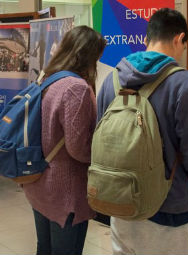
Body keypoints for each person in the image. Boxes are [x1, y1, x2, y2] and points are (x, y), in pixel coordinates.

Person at [97, 8, 188, 255]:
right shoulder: (185, 84)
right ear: (178, 39)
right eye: (184, 46)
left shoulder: (112, 81)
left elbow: (97, 139)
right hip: (168, 211)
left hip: (121, 206)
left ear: (146, 39)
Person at [22, 25, 106, 255]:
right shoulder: (75, 88)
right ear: (88, 55)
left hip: (39, 182)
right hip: (66, 191)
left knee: (45, 248)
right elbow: (77, 148)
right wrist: (103, 156)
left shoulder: (47, 78)